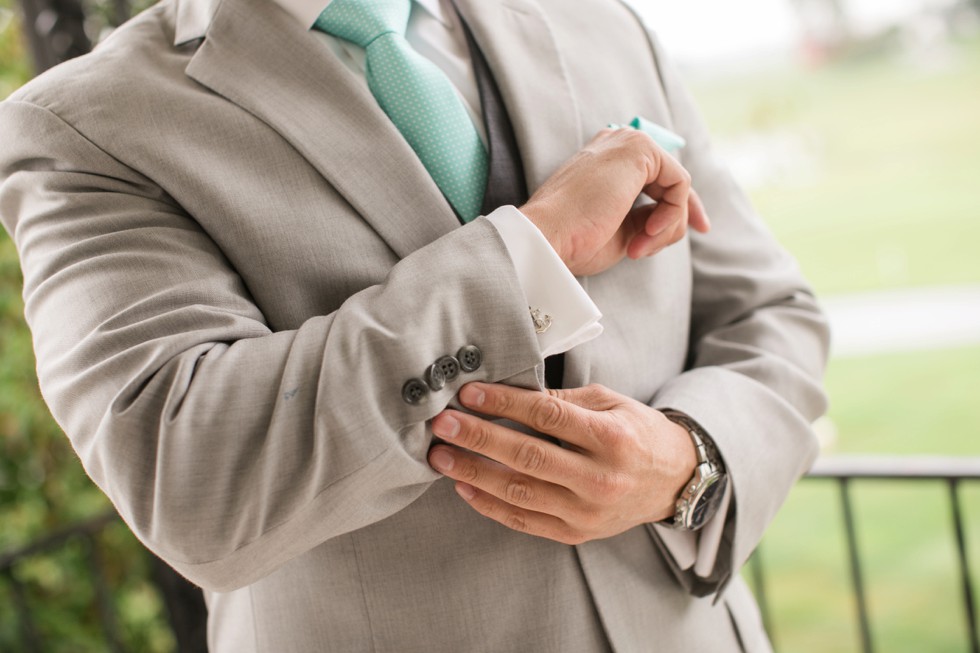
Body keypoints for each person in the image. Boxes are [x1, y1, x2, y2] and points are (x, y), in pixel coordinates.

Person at [0, 0, 829, 650]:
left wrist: (691, 460)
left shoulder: (600, 20)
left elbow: (771, 315)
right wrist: (528, 255)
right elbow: (189, 479)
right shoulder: (86, 126)